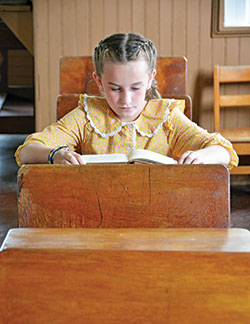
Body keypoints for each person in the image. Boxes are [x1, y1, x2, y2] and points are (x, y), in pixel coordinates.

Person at [15, 33, 238, 168]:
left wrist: (201, 156)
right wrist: (54, 155)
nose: (126, 100)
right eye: (114, 88)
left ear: (150, 79)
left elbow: (225, 151)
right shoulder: (86, 116)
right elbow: (26, 151)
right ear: (99, 82)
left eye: (136, 87)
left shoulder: (167, 117)